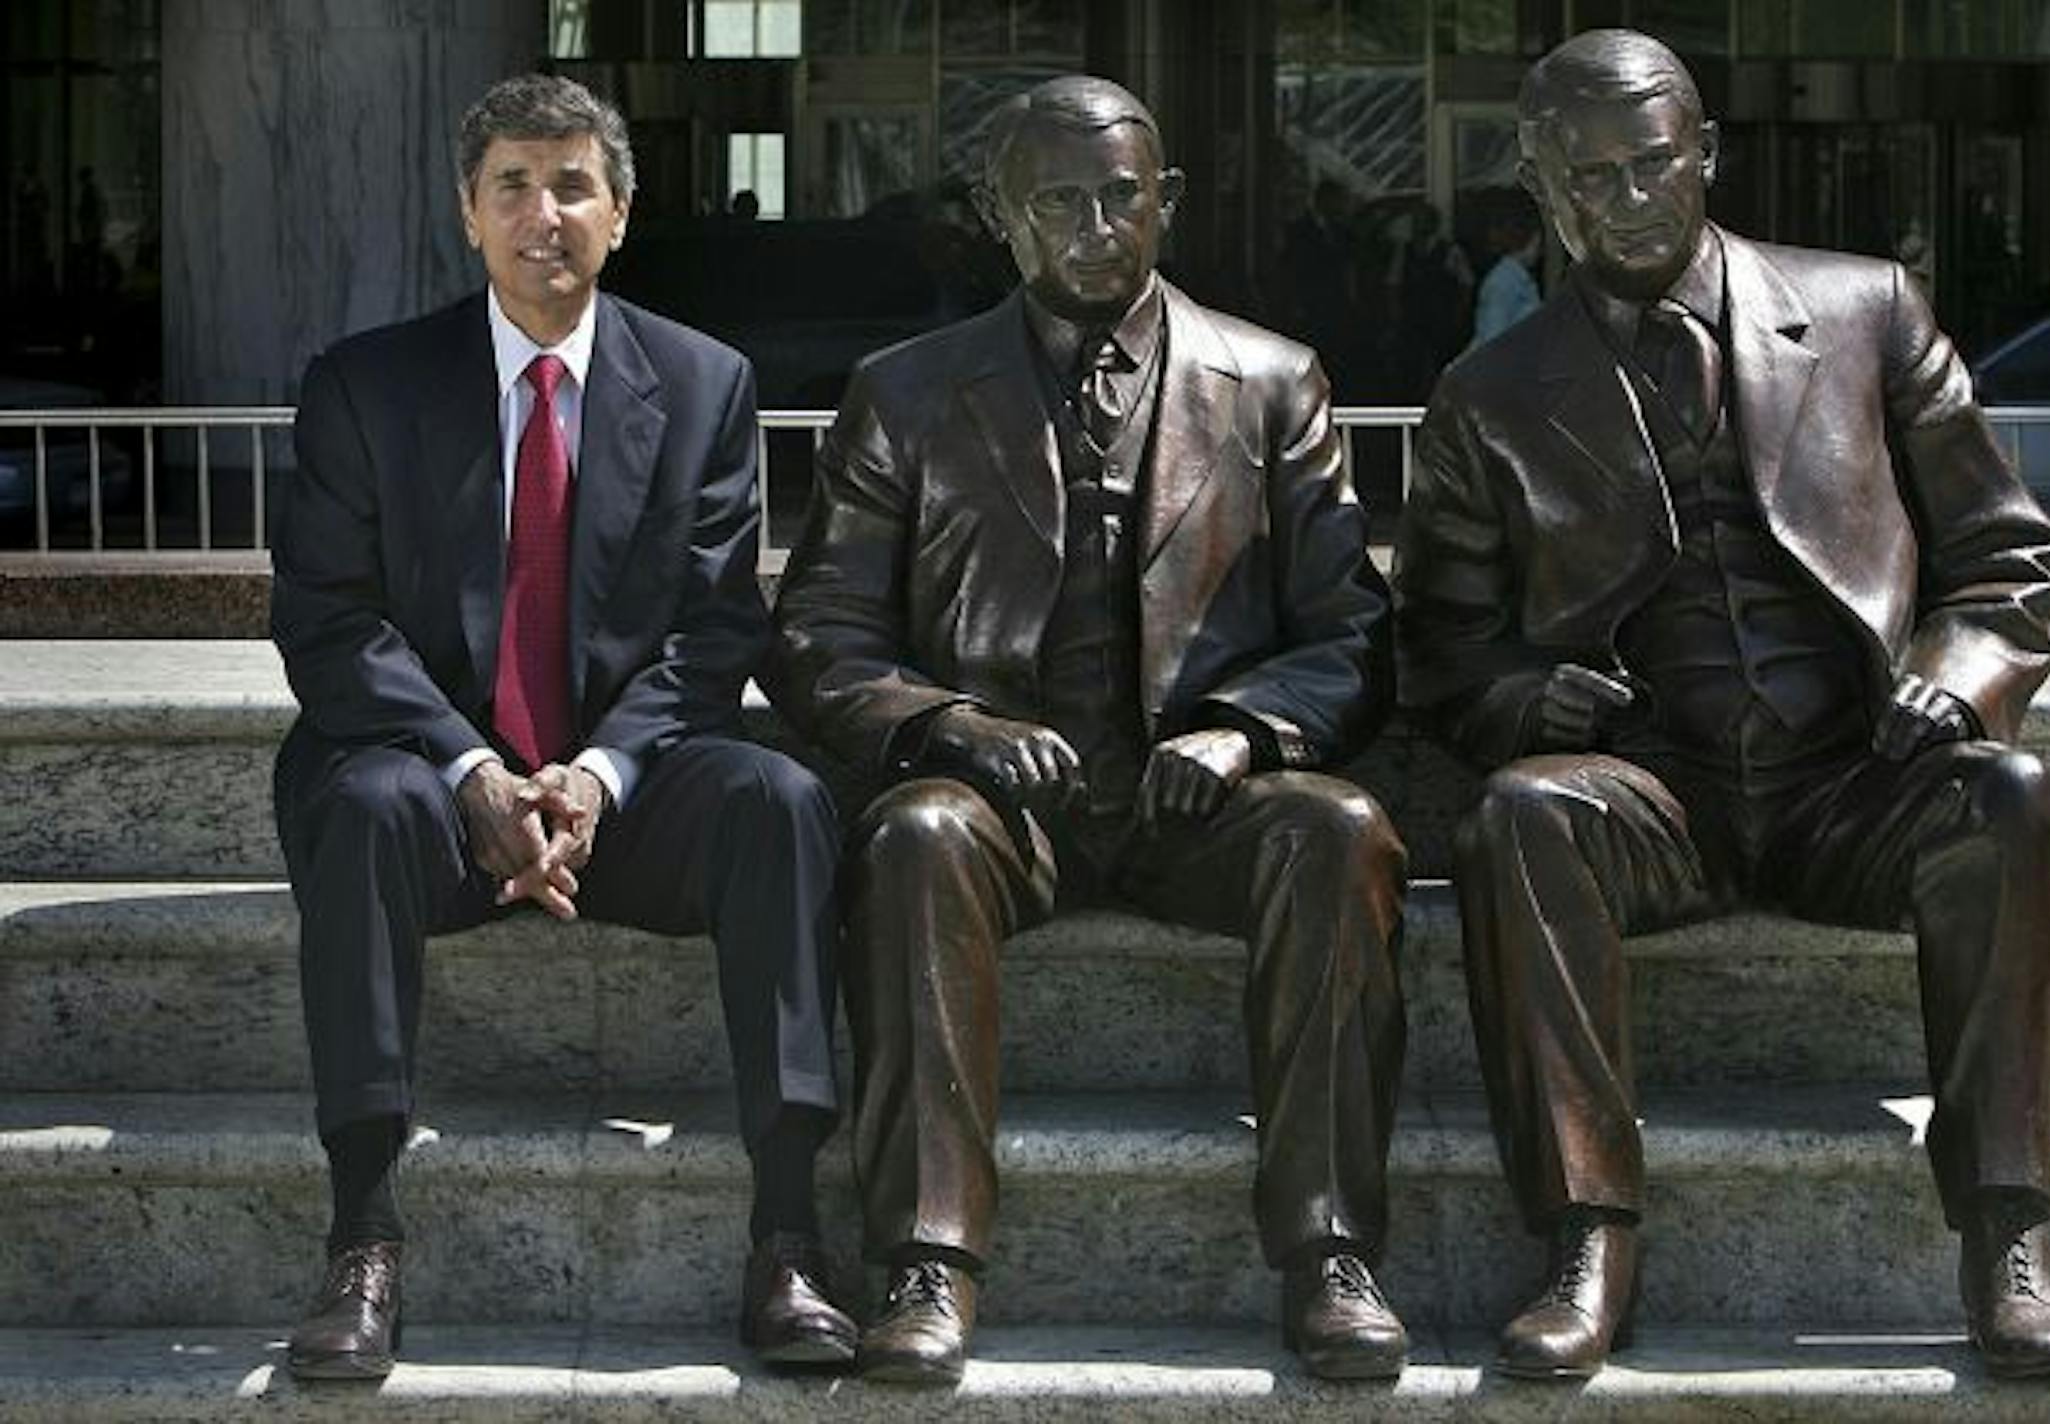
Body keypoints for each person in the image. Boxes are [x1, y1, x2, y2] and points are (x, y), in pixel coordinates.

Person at [1393, 30, 2050, 1383]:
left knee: (2015, 798)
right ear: (1538, 184)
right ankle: (1586, 1235)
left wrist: (1958, 672)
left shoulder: (1868, 307)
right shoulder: (1489, 395)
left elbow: (2007, 556)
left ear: (1704, 152)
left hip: (1856, 774)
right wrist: (1532, 695)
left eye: (1651, 164)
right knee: (1523, 817)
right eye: (1584, 177)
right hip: (1660, 786)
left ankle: (2010, 1233)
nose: (1624, 199)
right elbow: (1440, 648)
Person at [771, 75, 1409, 1385]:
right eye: (1057, 201)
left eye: (1121, 196)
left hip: (1203, 804)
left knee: (1338, 831)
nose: (1094, 225)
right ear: (1000, 220)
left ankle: (1330, 1252)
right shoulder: (905, 394)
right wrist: (951, 725)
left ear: (1163, 201)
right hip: (1007, 808)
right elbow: (817, 637)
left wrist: (1246, 733)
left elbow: (1354, 629)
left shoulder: (1273, 384)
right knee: (914, 841)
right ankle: (927, 1262)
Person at [269, 74, 854, 1379]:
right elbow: (329, 622)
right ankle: (362, 1234)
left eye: (573, 183)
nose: (546, 214)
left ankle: (791, 1233)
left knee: (782, 801)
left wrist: (595, 775)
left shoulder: (704, 386)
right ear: (468, 216)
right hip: (431, 791)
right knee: (359, 803)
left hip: (623, 797)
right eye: (513, 187)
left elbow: (713, 631)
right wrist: (475, 772)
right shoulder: (366, 387)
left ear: (623, 212)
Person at [1469, 186, 1542, 347]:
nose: (1539, 251)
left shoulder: (1521, 279)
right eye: (1537, 244)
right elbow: (1492, 338)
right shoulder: (1501, 283)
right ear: (1527, 243)